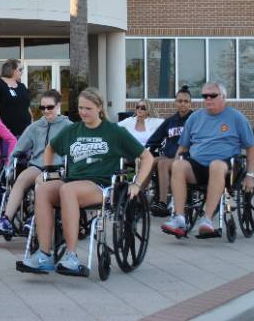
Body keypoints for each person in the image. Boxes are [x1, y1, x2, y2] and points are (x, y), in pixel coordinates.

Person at [19, 87, 153, 276]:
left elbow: (147, 157)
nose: (83, 112)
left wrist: (137, 184)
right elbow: (50, 149)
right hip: (71, 183)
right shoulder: (72, 130)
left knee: (68, 190)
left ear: (99, 107)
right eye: (80, 108)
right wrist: (47, 172)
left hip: (100, 186)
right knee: (43, 189)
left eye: (88, 108)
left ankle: (71, 256)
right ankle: (44, 253)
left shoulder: (114, 131)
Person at [161, 82, 254, 237]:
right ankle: (179, 217)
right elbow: (183, 147)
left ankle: (206, 219)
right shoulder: (195, 118)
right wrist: (178, 158)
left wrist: (250, 175)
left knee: (216, 165)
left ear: (224, 97)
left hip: (226, 166)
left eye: (213, 95)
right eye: (205, 96)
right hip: (197, 165)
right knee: (178, 165)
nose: (208, 99)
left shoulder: (236, 117)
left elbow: (251, 148)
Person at [0, 89, 71, 237]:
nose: (46, 111)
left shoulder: (68, 126)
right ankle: (6, 220)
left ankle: (33, 218)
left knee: (41, 181)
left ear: (58, 105)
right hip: (37, 165)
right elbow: (17, 148)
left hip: (58, 168)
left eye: (50, 107)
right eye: (42, 108)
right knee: (21, 179)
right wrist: (9, 167)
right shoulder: (34, 127)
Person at [145, 86, 194, 217]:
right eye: (180, 101)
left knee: (162, 164)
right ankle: (137, 197)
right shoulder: (170, 121)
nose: (182, 104)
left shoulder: (195, 119)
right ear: (175, 102)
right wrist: (145, 151)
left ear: (190, 103)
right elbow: (154, 140)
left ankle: (162, 202)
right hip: (168, 156)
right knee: (151, 161)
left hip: (186, 158)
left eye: (186, 101)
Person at [0, 59, 33, 142]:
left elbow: (27, 107)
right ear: (12, 70)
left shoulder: (22, 86)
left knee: (26, 155)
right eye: (20, 70)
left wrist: (32, 124)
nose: (22, 72)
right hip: (7, 135)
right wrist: (2, 129)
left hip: (26, 133)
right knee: (9, 155)